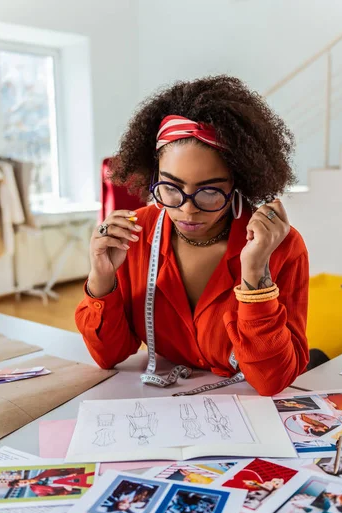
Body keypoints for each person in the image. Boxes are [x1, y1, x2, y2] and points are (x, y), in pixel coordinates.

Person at [76, 76, 309, 396]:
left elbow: (272, 381)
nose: (187, 210)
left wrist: (256, 276)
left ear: (237, 182)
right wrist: (102, 277)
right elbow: (108, 356)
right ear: (153, 176)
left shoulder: (280, 247)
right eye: (170, 188)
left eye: (209, 191)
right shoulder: (134, 235)